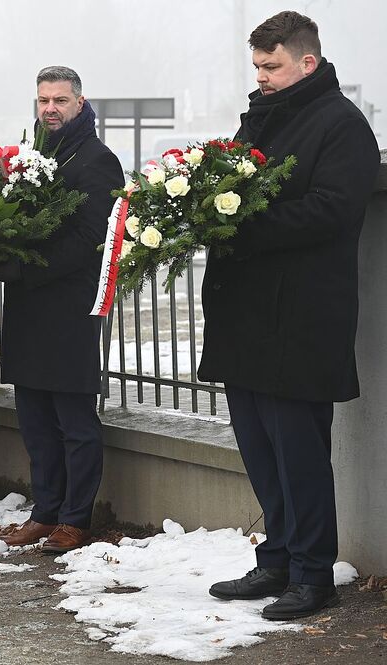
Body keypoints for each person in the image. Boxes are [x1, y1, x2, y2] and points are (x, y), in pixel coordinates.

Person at [200, 11, 380, 621]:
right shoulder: (262, 119)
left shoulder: (341, 125)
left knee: (300, 454)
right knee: (260, 448)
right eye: (256, 66)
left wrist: (241, 227)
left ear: (307, 62)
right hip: (249, 317)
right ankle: (276, 558)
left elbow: (333, 211)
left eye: (271, 66)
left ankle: (311, 572)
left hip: (301, 319)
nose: (262, 77)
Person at [0, 66, 123, 554]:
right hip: (27, 309)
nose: (50, 108)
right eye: (43, 100)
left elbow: (90, 240)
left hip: (69, 309)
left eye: (60, 100)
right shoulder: (32, 156)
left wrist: (23, 269)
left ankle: (75, 519)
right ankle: (45, 511)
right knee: (36, 420)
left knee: (74, 421)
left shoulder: (98, 161)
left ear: (80, 103)